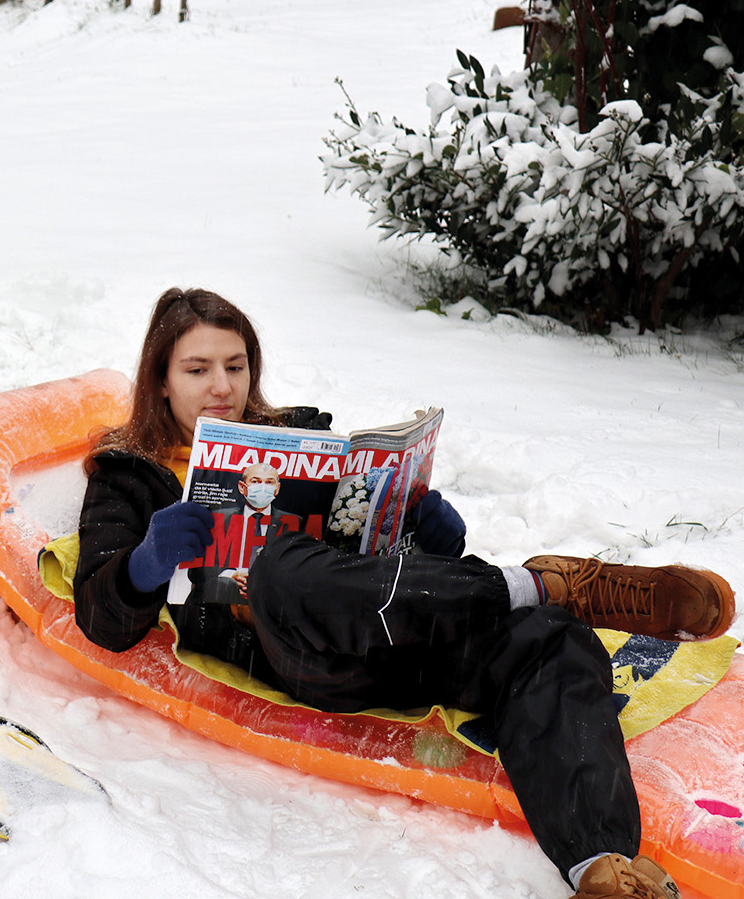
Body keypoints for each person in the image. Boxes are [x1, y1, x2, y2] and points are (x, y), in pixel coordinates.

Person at [74, 287, 734, 899]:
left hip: (394, 628)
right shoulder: (130, 475)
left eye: (236, 365)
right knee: (277, 568)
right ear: (159, 380)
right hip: (300, 648)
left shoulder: (301, 438)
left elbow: (365, 552)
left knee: (551, 638)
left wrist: (421, 529)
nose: (222, 386)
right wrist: (149, 559)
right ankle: (537, 583)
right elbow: (101, 618)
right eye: (197, 369)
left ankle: (600, 864)